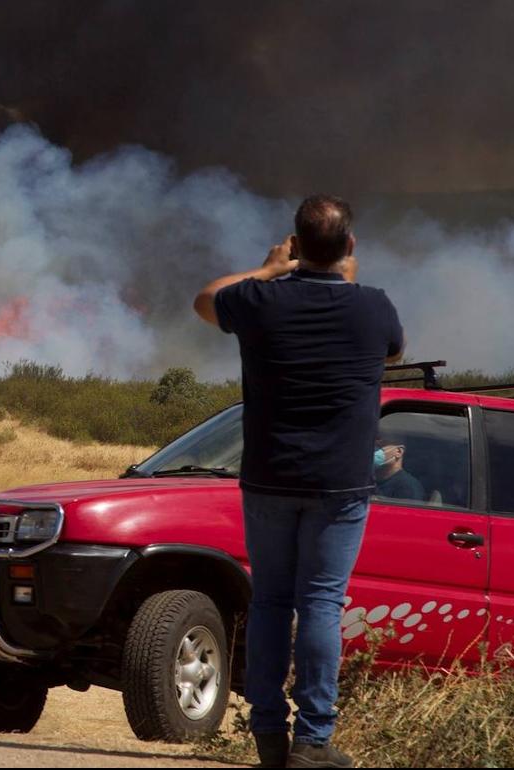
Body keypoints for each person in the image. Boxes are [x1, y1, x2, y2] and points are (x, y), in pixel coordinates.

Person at [194, 195, 404, 768]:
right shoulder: (373, 307)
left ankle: (268, 734)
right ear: (350, 247)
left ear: (293, 244)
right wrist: (348, 281)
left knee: (270, 602)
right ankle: (314, 741)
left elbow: (205, 300)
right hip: (340, 484)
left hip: (267, 475)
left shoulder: (260, 299)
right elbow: (393, 349)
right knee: (319, 603)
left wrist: (267, 270)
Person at [374, 434, 426, 502]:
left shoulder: (408, 487)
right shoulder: (368, 479)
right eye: (373, 446)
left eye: (380, 446)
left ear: (399, 452)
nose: (374, 451)